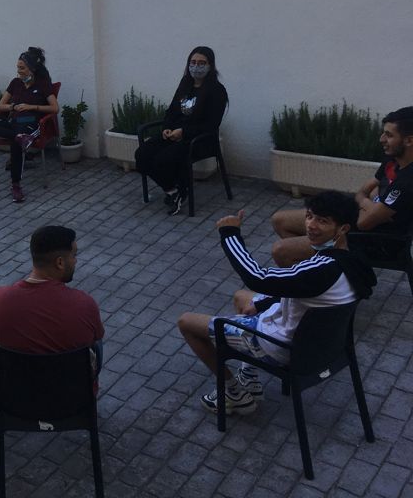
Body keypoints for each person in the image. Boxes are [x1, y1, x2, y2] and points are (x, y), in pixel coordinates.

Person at [177, 194, 375, 415]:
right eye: (309, 216)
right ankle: (249, 378)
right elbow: (299, 288)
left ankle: (233, 393)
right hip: (323, 345)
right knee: (242, 297)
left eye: (322, 221)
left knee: (187, 322)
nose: (311, 225)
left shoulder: (322, 269)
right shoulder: (353, 260)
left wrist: (229, 233)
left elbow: (257, 277)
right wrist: (262, 303)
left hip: (280, 346)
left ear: (343, 228)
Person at [271, 106, 413, 267]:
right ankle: (322, 272)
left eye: (389, 135)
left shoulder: (407, 182)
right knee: (280, 220)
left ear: (409, 140)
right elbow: (363, 191)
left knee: (280, 250)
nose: (381, 139)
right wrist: (371, 205)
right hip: (353, 219)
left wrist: (367, 201)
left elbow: (364, 222)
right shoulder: (393, 159)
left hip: (371, 240)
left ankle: (333, 271)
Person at [0, 225, 104, 375]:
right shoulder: (84, 304)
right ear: (60, 262)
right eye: (74, 255)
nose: (75, 261)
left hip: (16, 388)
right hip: (73, 388)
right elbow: (95, 339)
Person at [134, 46, 228, 215]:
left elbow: (211, 125)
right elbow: (171, 112)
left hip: (199, 140)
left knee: (164, 159)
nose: (196, 67)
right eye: (193, 62)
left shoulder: (217, 91)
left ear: (210, 65)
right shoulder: (185, 84)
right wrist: (167, 128)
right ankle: (173, 190)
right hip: (175, 135)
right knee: (142, 154)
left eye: (201, 63)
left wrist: (183, 132)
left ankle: (181, 188)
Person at [0, 47, 58, 203]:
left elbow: (55, 108)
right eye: (17, 68)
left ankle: (16, 185)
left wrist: (31, 107)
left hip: (30, 125)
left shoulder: (42, 84)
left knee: (16, 143)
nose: (19, 71)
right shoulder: (15, 83)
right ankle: (19, 137)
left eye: (22, 68)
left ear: (32, 69)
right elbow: (0, 106)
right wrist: (13, 107)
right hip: (13, 124)